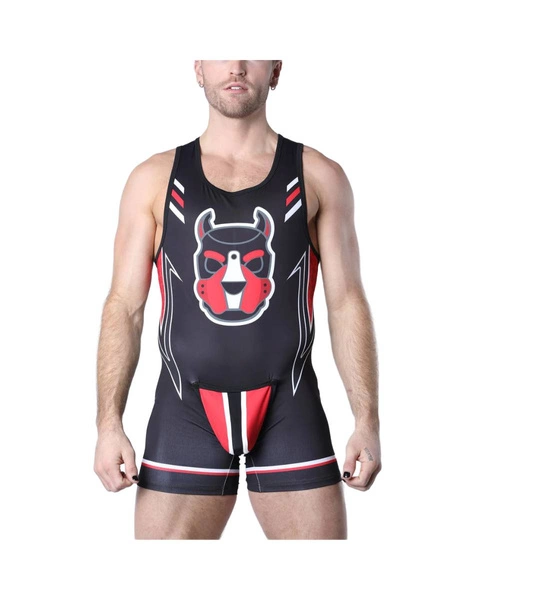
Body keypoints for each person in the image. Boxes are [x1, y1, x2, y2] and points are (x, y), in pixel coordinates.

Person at [94, 60, 381, 540]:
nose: (237, 65)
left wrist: (367, 422)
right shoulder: (153, 179)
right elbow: (124, 307)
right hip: (184, 410)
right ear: (198, 68)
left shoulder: (318, 175)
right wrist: (108, 424)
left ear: (276, 70)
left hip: (290, 406)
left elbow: (346, 302)